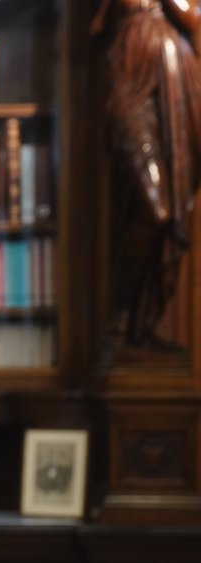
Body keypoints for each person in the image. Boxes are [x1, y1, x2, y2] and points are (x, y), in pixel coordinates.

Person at [91, 0, 201, 348]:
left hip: (173, 78)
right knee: (156, 209)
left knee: (168, 211)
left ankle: (141, 323)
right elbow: (92, 29)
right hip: (129, 77)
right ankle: (118, 309)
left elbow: (192, 17)